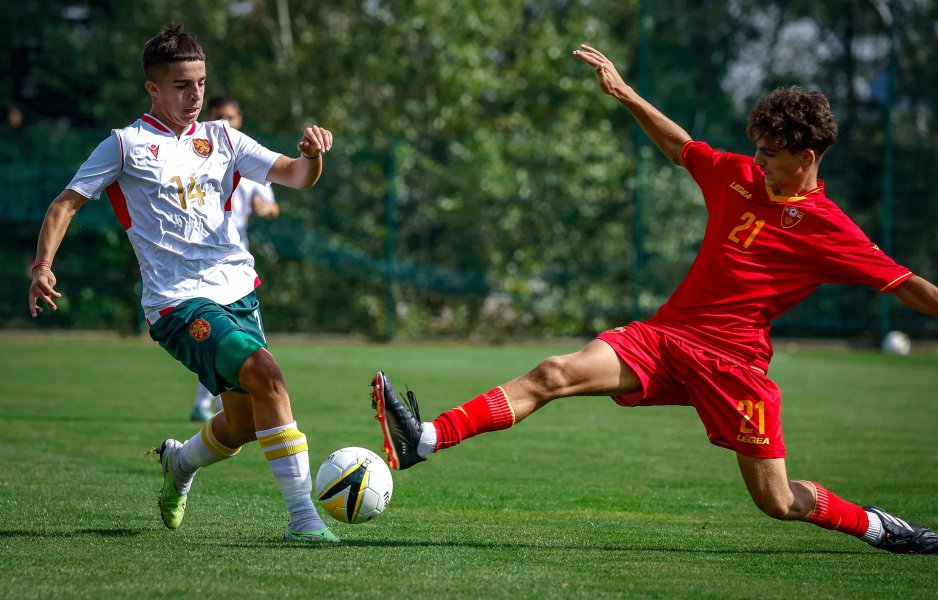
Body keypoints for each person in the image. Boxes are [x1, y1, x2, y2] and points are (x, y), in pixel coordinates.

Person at [370, 43, 938, 554]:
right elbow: (682, 147)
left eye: (769, 153)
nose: (758, 160)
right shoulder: (738, 176)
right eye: (756, 149)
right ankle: (427, 438)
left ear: (807, 157)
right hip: (665, 339)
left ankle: (876, 527)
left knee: (777, 501)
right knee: (553, 372)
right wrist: (624, 93)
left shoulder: (829, 227)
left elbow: (906, 284)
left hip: (734, 366)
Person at [28, 24, 339, 543]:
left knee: (240, 426)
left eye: (199, 83)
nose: (194, 95)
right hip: (178, 305)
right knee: (269, 376)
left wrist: (311, 154)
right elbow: (65, 204)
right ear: (152, 87)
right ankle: (303, 518)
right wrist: (42, 266)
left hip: (238, 292)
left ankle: (179, 464)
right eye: (180, 85)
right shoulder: (125, 145)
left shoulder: (221, 136)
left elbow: (295, 176)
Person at [188, 94, 282, 423]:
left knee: (246, 341)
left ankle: (229, 402)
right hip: (200, 266)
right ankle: (209, 403)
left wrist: (264, 209)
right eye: (218, 117)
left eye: (230, 117)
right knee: (219, 338)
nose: (224, 123)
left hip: (237, 262)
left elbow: (272, 204)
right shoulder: (194, 159)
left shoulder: (245, 155)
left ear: (240, 119)